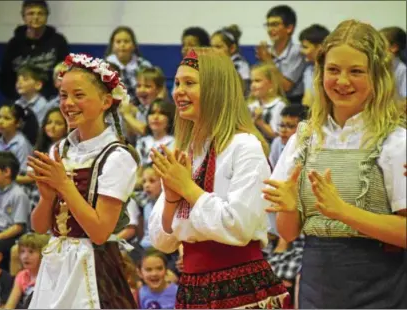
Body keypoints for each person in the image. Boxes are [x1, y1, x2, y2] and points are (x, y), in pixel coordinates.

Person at [263, 20, 407, 308]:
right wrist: (290, 207)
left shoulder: (396, 141)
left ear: (377, 76)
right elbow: (288, 233)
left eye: (356, 71)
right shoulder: (303, 138)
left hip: (380, 286)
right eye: (333, 70)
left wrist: (344, 212)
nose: (342, 81)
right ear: (320, 73)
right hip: (317, 284)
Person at [149, 48, 290, 309]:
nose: (178, 91)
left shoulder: (245, 146)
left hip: (240, 283)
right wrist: (170, 199)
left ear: (216, 89)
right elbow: (162, 241)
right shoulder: (187, 151)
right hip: (192, 288)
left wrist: (188, 188)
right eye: (177, 83)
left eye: (189, 83)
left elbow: (239, 226)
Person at [27, 53, 139, 309]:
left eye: (79, 95)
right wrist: (46, 198)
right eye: (63, 95)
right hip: (55, 263)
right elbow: (40, 227)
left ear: (105, 101)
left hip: (94, 265)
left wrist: (64, 186)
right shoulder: (59, 150)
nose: (68, 103)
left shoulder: (117, 156)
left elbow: (100, 232)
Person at [0, 0, 69, 100]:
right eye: (31, 13)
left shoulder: (58, 41)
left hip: (51, 99)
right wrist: (17, 98)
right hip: (20, 98)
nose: (35, 17)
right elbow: (5, 77)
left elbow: (64, 73)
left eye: (40, 13)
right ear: (24, 17)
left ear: (47, 16)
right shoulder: (14, 44)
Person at [255, 5, 306, 106]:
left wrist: (268, 61)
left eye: (275, 24)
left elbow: (285, 86)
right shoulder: (267, 51)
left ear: (289, 28)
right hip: (270, 100)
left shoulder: (297, 52)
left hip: (292, 103)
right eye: (268, 25)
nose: (270, 29)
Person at [4, 233, 50, 309]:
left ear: (42, 254)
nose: (25, 256)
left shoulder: (48, 276)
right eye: (22, 251)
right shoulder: (22, 275)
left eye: (31, 252)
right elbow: (10, 305)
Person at [211, 25, 251, 95]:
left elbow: (245, 92)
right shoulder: (215, 65)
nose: (213, 50)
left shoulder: (240, 66)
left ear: (232, 48)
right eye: (212, 47)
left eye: (218, 47)